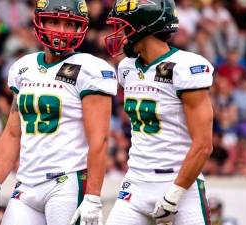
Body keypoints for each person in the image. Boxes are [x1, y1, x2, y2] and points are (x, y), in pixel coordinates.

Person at [0, 0, 118, 225]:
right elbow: (13, 133)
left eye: (68, 24)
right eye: (54, 22)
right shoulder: (24, 67)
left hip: (67, 182)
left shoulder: (91, 69)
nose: (61, 31)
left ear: (79, 28)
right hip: (26, 184)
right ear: (39, 22)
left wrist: (92, 195)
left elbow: (99, 140)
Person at [104, 0, 214, 224]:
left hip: (180, 182)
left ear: (143, 27)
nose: (121, 33)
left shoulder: (186, 67)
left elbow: (203, 144)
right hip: (135, 181)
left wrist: (175, 194)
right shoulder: (127, 68)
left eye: (125, 26)